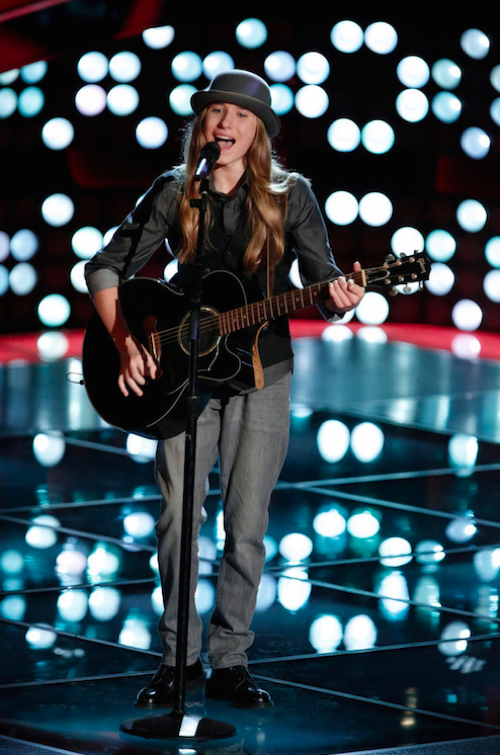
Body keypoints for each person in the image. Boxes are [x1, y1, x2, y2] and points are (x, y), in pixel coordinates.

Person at [84, 69, 365, 709]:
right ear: (202, 126)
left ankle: (231, 659)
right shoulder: (177, 191)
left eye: (240, 116)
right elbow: (104, 266)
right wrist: (126, 342)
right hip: (181, 375)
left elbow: (323, 284)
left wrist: (341, 299)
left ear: (258, 132)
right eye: (216, 113)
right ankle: (177, 659)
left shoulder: (292, 195)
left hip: (261, 373)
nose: (226, 125)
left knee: (247, 525)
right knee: (176, 517)